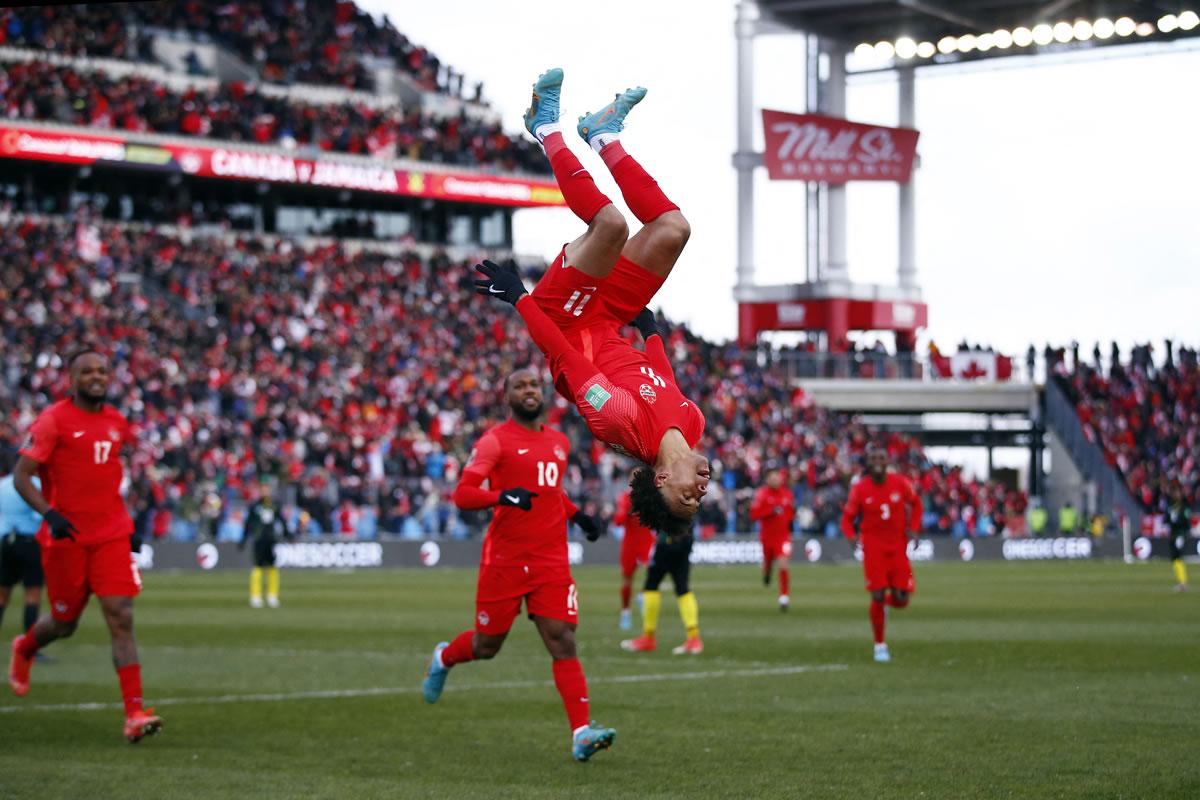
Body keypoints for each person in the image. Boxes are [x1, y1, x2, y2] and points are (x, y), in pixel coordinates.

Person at [474, 67, 707, 541]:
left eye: (686, 497)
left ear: (661, 479)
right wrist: (652, 332)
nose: (700, 492)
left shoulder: (619, 423)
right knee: (673, 230)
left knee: (610, 227)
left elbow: (562, 355)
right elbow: (665, 379)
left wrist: (519, 297)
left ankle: (545, 126)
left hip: (564, 317)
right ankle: (603, 134)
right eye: (698, 501)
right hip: (614, 316)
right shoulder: (694, 425)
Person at [421, 368, 614, 762]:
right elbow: (463, 494)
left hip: (550, 559)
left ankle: (580, 733)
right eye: (519, 386)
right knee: (487, 645)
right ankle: (443, 658)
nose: (529, 390)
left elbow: (551, 491)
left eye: (533, 385)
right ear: (507, 398)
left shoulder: (559, 442)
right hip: (505, 561)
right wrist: (503, 498)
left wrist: (578, 516)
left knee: (562, 639)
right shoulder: (494, 442)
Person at [8, 349, 162, 742]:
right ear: (72, 378)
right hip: (66, 539)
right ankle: (25, 647)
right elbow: (22, 475)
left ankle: (133, 714)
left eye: (102, 371)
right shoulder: (53, 421)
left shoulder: (117, 423)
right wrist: (50, 514)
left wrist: (125, 526)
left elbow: (107, 477)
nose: (96, 376)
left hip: (109, 535)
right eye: (87, 371)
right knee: (64, 622)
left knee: (120, 615)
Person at [841, 446, 922, 663]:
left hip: (897, 547)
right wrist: (851, 536)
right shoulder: (860, 489)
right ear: (868, 463)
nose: (877, 461)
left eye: (881, 458)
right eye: (873, 458)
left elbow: (916, 504)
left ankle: (882, 606)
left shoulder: (900, 483)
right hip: (873, 549)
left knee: (902, 599)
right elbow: (847, 518)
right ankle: (880, 645)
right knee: (876, 594)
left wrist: (913, 528)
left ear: (887, 462)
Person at [619, 522, 702, 655]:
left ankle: (648, 636)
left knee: (651, 586)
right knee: (682, 588)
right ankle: (693, 637)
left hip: (668, 542)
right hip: (684, 540)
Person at [0, 473, 44, 641]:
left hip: (6, 542)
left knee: (3, 593)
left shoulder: (3, 484)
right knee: (32, 594)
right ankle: (30, 645)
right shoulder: (36, 484)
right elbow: (39, 514)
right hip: (29, 542)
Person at [612, 476, 655, 631]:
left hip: (647, 541)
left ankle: (643, 596)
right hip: (630, 544)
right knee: (627, 579)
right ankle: (626, 612)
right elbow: (618, 521)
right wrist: (626, 511)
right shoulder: (625, 498)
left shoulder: (651, 497)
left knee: (652, 574)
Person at [750, 468, 796, 611]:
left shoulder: (787, 494)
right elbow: (754, 514)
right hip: (767, 537)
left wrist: (790, 534)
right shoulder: (762, 495)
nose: (776, 480)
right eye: (773, 477)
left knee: (783, 564)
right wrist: (770, 512)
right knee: (768, 564)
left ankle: (784, 597)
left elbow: (791, 515)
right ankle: (767, 574)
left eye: (778, 477)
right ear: (768, 480)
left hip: (783, 537)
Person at [240, 484, 292, 608]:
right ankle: (255, 596)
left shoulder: (275, 505)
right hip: (259, 540)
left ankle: (272, 596)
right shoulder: (254, 506)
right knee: (257, 567)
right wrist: (243, 539)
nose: (264, 493)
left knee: (272, 567)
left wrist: (288, 534)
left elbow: (282, 520)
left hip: (271, 540)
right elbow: (248, 523)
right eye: (262, 490)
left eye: (266, 490)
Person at [1165, 482, 1192, 592]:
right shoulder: (1171, 506)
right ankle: (1181, 582)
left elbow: (1186, 523)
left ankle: (1182, 582)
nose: (1176, 495)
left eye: (1177, 493)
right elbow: (1167, 519)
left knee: (1178, 557)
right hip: (1172, 535)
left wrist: (1183, 535)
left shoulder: (1184, 507)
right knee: (1175, 559)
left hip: (1179, 535)